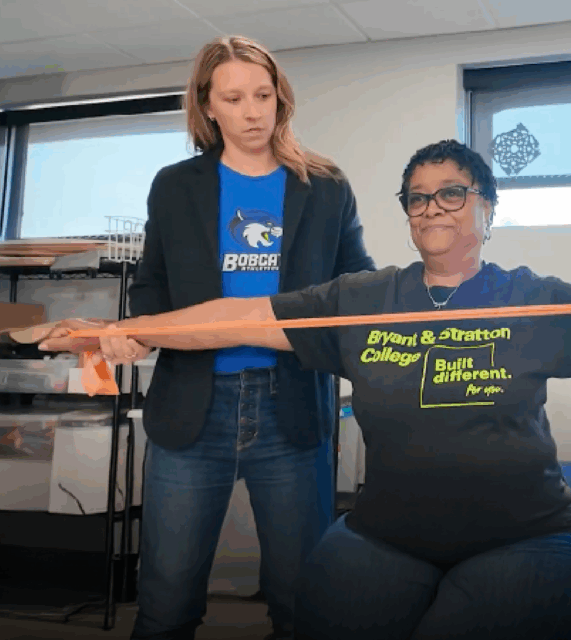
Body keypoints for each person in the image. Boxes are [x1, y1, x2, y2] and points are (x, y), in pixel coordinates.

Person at [41, 140, 571, 640]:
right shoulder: (365, 298)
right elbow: (238, 316)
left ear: (488, 208)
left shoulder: (531, 300)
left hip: (525, 537)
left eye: (452, 192)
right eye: (416, 197)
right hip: (385, 536)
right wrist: (133, 327)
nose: (431, 206)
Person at [88, 35, 375, 640]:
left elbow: (358, 285)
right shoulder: (175, 185)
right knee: (165, 604)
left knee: (303, 603)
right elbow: (152, 287)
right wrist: (136, 334)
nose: (252, 112)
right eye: (235, 98)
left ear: (281, 99)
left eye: (264, 95)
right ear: (207, 106)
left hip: (293, 407)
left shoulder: (326, 186)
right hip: (193, 409)